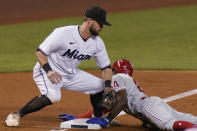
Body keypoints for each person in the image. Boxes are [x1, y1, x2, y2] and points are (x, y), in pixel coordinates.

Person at [5, 6, 113, 127]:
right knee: (53, 96)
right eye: (100, 23)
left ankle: (98, 116)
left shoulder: (97, 43)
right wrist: (49, 71)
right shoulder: (63, 33)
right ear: (89, 21)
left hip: (71, 74)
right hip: (48, 71)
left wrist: (108, 86)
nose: (102, 27)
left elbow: (106, 68)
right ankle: (17, 114)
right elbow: (40, 52)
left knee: (100, 86)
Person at [62, 59, 197, 130]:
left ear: (115, 70)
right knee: (188, 118)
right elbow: (104, 108)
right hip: (153, 105)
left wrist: (107, 120)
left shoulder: (117, 78)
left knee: (167, 124)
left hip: (148, 106)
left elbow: (122, 99)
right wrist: (77, 118)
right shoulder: (126, 80)